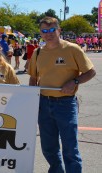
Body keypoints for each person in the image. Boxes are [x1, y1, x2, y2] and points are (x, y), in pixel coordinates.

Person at [28, 16, 96, 173]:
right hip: (44, 104)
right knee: (48, 148)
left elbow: (90, 72)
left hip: (65, 104)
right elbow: (33, 78)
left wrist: (75, 82)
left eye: (52, 29)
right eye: (44, 31)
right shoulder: (38, 53)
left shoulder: (72, 49)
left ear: (59, 30)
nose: (48, 33)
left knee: (70, 149)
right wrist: (32, 101)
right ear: (40, 33)